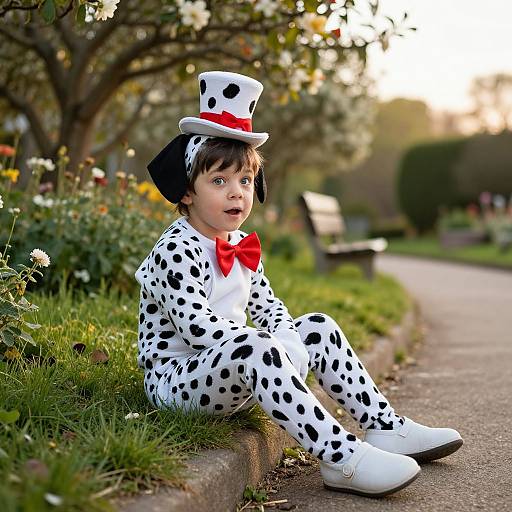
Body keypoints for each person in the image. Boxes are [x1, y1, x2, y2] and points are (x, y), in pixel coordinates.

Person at [134, 71, 463, 498]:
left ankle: (384, 428)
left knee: (317, 327)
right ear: (187, 192)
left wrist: (287, 338)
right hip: (180, 382)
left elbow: (268, 305)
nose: (236, 193)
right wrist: (270, 347)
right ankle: (340, 458)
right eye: (219, 181)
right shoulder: (176, 249)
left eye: (245, 181)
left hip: (237, 370)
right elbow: (197, 328)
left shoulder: (239, 243)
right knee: (259, 345)